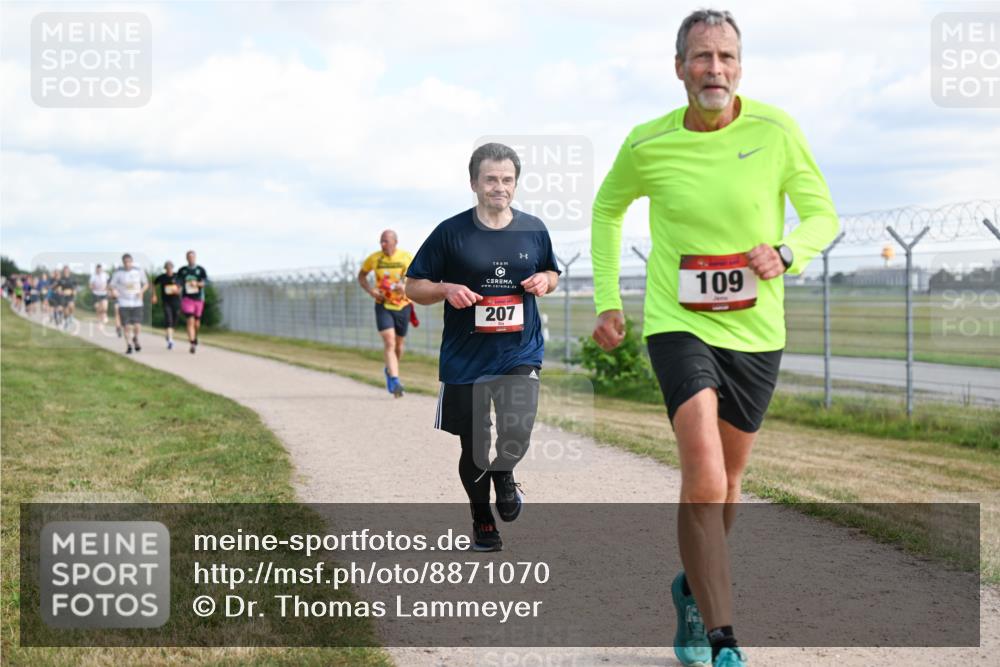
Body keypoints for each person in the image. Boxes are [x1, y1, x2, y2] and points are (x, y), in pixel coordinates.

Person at [590, 10, 839, 667]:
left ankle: (692, 588)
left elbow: (822, 214)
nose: (715, 69)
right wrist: (609, 299)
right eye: (702, 57)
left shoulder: (777, 130)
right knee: (702, 474)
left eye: (726, 56)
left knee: (728, 483)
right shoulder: (648, 143)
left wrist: (787, 253)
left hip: (757, 330)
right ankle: (721, 630)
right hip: (680, 323)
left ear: (741, 66)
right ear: (679, 68)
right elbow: (608, 207)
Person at [406, 142, 560, 552]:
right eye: (491, 179)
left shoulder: (533, 228)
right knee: (474, 444)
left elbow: (551, 271)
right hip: (466, 357)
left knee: (518, 429)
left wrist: (545, 280)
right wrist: (446, 288)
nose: (499, 187)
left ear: (516, 183)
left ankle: (505, 473)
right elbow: (413, 286)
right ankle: (481, 517)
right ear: (474, 182)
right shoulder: (450, 232)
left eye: (507, 180)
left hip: (519, 350)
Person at [358, 230, 414, 397]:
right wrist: (371, 291)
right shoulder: (374, 258)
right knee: (389, 342)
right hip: (383, 304)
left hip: (403, 305)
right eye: (381, 241)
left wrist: (405, 287)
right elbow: (361, 277)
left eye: (386, 241)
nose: (382, 244)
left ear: (395, 242)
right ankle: (396, 380)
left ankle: (390, 370)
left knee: (398, 345)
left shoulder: (406, 257)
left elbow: (416, 278)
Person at [109, 254, 149, 354]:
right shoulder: (118, 273)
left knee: (137, 325)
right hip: (123, 302)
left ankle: (135, 338)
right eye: (125, 262)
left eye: (129, 262)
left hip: (137, 302)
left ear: (132, 261)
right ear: (123, 262)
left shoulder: (139, 271)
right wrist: (113, 291)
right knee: (126, 326)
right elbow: (111, 285)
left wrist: (141, 291)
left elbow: (146, 284)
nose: (127, 264)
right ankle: (129, 345)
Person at [176, 250, 208, 354]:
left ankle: (195, 336)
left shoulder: (200, 270)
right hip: (187, 298)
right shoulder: (182, 270)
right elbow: (178, 283)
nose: (191, 258)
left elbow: (205, 283)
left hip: (198, 298)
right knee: (190, 320)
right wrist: (178, 288)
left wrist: (197, 284)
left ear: (195, 258)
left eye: (192, 257)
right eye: (189, 257)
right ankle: (192, 343)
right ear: (186, 258)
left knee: (197, 323)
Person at [151, 261, 182, 350]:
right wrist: (154, 295)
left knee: (174, 321)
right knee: (169, 320)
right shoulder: (162, 277)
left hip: (176, 302)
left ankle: (169, 335)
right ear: (165, 269)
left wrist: (177, 290)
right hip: (166, 302)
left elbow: (180, 287)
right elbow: (153, 284)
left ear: (172, 268)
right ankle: (170, 341)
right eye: (167, 268)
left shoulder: (177, 277)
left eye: (170, 268)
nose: (169, 269)